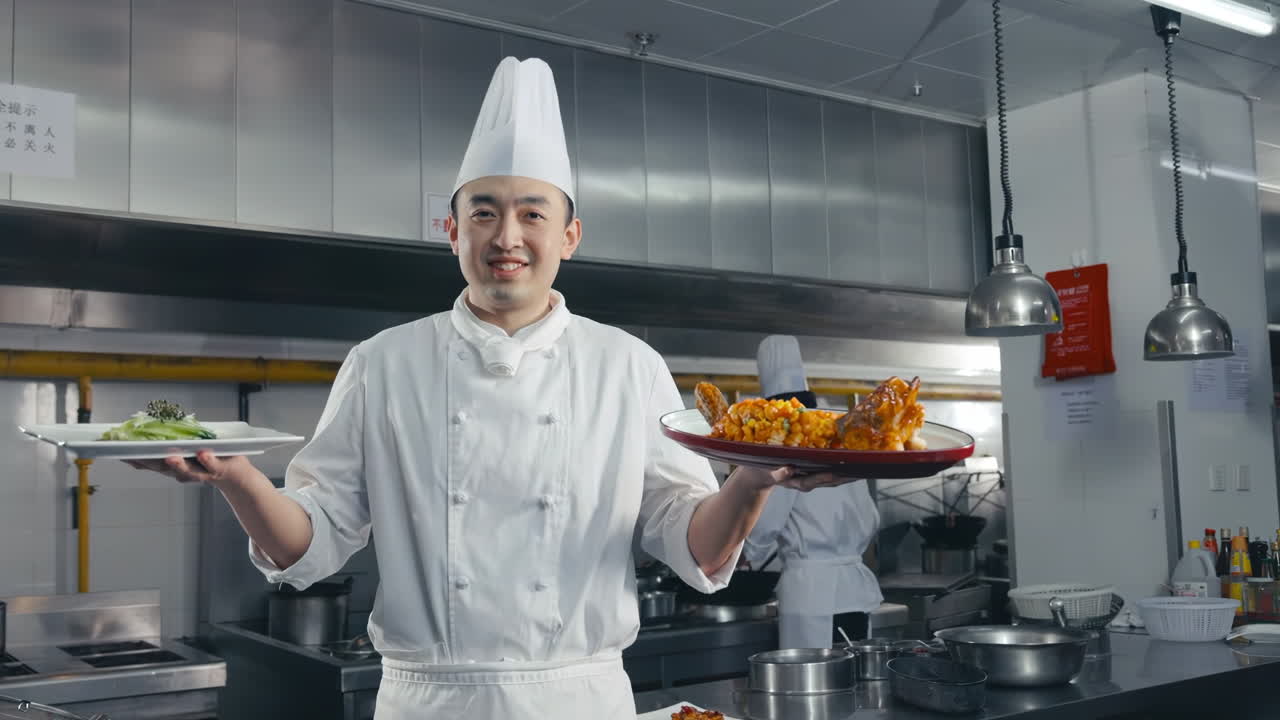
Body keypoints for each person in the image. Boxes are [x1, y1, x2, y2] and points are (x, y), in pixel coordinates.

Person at [128, 58, 855, 717]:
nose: (506, 236)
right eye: (484, 212)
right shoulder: (382, 364)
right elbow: (309, 544)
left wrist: (751, 482)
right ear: (452, 230)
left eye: (532, 213)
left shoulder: (627, 365)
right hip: (429, 702)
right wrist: (240, 479)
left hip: (581, 700)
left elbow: (692, 547)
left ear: (569, 236)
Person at [742, 335, 883, 649]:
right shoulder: (836, 436)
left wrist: (748, 552)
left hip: (812, 594)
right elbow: (871, 518)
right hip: (854, 590)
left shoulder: (785, 443)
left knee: (815, 685)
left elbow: (764, 524)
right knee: (854, 681)